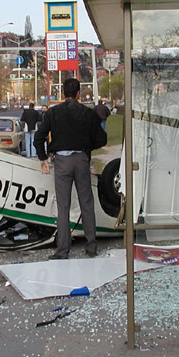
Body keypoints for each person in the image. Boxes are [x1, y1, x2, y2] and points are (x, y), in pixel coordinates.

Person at [34, 78, 107, 259]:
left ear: (63, 93)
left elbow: (39, 137)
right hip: (81, 160)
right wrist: (87, 147)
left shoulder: (53, 113)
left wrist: (44, 156)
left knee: (63, 206)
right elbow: (101, 139)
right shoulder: (88, 113)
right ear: (78, 94)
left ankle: (63, 250)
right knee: (86, 204)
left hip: (61, 162)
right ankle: (91, 247)